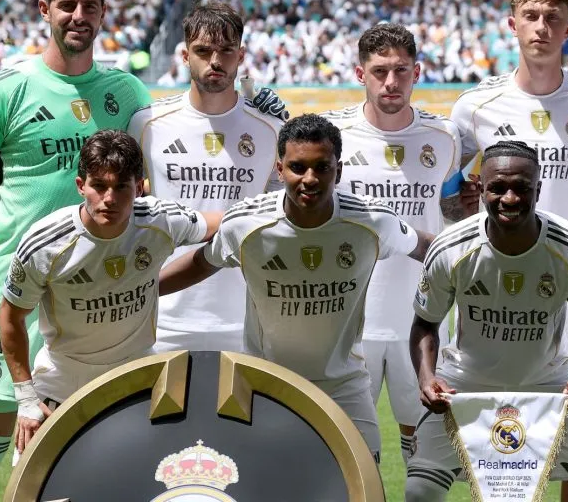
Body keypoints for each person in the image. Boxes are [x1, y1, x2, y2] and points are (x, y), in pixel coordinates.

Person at [0, 0, 153, 502]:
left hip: (95, 291)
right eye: (67, 5)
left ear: (104, 13)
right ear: (45, 11)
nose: (79, 15)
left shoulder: (127, 92)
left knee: (89, 431)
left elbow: (155, 178)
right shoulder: (5, 89)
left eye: (89, 5)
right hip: (14, 288)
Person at [158, 113, 433, 460]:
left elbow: (427, 247)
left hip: (344, 385)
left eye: (322, 167)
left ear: (340, 170)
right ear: (279, 168)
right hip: (266, 383)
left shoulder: (372, 221)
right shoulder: (246, 224)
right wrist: (145, 291)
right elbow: (201, 262)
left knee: (364, 487)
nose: (310, 179)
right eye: (298, 167)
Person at [450, 0, 568, 454]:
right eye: (531, 16)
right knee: (498, 431)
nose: (541, 27)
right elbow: (449, 188)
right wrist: (461, 202)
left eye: (552, 18)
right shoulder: (475, 107)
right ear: (512, 25)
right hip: (496, 293)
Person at [406, 141, 568, 502]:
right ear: (481, 189)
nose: (509, 198)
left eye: (522, 188)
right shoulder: (450, 247)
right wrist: (428, 378)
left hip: (550, 381)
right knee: (418, 491)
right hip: (466, 382)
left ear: (538, 189)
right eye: (497, 188)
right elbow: (424, 324)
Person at [0, 130, 218, 454]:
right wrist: (25, 398)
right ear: (80, 186)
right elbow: (10, 317)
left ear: (140, 187)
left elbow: (224, 225)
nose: (109, 199)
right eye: (99, 186)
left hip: (138, 384)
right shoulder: (45, 243)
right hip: (61, 387)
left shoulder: (160, 220)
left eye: (121, 187)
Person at [321, 22, 464, 464]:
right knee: (349, 446)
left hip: (420, 319)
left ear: (417, 73)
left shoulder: (445, 137)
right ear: (360, 74)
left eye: (401, 70)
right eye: (380, 70)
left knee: (421, 447)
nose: (391, 82)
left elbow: (453, 210)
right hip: (348, 320)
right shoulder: (332, 134)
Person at [129, 2, 285, 353]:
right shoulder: (147, 123)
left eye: (226, 51)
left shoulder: (272, 129)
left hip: (247, 313)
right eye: (203, 50)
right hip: (161, 310)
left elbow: (285, 214)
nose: (215, 61)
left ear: (241, 55)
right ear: (185, 56)